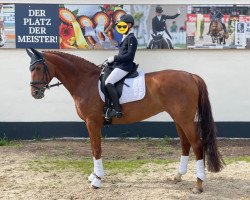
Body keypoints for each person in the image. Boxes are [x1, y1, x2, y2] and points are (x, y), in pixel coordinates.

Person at [105, 14, 138, 118]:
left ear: (129, 25)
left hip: (125, 67)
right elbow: (121, 54)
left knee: (108, 82)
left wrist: (115, 58)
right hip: (119, 65)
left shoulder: (132, 38)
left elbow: (129, 56)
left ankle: (117, 110)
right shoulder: (125, 38)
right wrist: (110, 62)